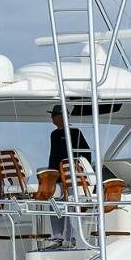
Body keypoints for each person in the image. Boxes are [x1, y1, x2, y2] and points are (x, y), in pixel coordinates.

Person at [47, 104, 90, 248]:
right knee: (55, 203)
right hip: (57, 178)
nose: (52, 118)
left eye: (54, 115)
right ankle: (58, 237)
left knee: (72, 203)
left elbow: (86, 154)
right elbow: (53, 158)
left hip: (73, 179)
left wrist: (79, 173)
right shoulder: (54, 135)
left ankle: (70, 238)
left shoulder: (75, 132)